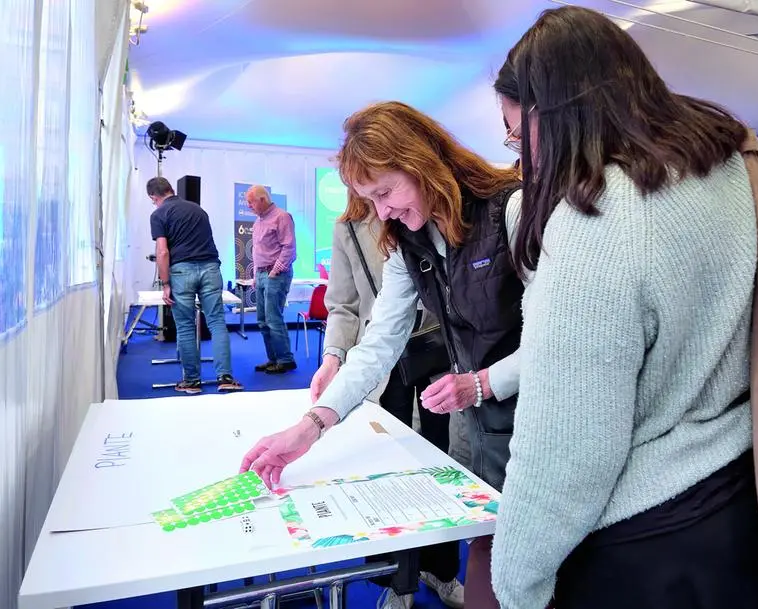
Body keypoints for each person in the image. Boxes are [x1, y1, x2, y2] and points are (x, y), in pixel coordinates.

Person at [489, 7, 758, 609]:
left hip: (648, 538)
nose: (521, 157)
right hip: (757, 495)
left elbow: (566, 446)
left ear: (551, 113)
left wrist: (516, 582)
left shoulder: (601, 217)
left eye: (516, 133)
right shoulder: (729, 169)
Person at [240, 101, 524, 609]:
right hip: (489, 426)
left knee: (524, 567)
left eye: (386, 192)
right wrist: (311, 426)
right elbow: (379, 342)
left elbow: (563, 339)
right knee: (492, 551)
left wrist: (482, 383)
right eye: (371, 198)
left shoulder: (511, 208)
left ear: (422, 162)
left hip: (540, 417)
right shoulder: (406, 240)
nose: (383, 211)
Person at [313, 194, 462, 608]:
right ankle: (398, 581)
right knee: (387, 470)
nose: (378, 201)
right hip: (378, 361)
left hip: (437, 355)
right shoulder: (348, 228)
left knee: (439, 462)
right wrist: (333, 358)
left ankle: (441, 569)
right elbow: (343, 305)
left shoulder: (428, 211)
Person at [147, 177, 243, 394]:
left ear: (154, 197)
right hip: (210, 268)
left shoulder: (158, 214)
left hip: (182, 272)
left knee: (185, 326)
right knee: (217, 323)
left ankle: (191, 382)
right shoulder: (198, 210)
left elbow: (162, 252)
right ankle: (225, 377)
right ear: (171, 189)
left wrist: (165, 284)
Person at [245, 185, 298, 374]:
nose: (248, 205)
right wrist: (256, 275)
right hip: (261, 274)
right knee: (262, 320)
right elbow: (258, 251)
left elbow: (289, 248)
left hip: (275, 274)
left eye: (250, 202)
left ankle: (285, 359)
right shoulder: (258, 221)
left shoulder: (282, 216)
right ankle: (273, 358)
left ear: (262, 199)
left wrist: (274, 272)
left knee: (273, 319)